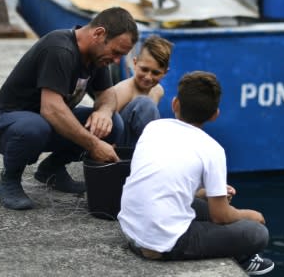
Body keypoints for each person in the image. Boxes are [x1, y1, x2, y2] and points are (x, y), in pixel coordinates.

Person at [117, 71, 274, 276]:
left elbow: (163, 182)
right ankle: (244, 257)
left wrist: (204, 194)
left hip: (130, 230)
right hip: (159, 245)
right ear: (214, 115)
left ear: (175, 104)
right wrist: (250, 215)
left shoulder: (154, 128)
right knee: (256, 232)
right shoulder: (212, 149)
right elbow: (221, 216)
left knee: (210, 207)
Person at [0, 7, 138, 210]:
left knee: (113, 124)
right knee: (35, 127)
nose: (117, 61)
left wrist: (103, 112)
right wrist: (93, 145)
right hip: (8, 123)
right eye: (116, 53)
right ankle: (9, 180)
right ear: (99, 34)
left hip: (46, 123)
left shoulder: (96, 56)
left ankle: (52, 169)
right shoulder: (60, 49)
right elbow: (52, 109)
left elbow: (108, 94)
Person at [112, 34, 174, 147]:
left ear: (165, 72)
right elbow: (103, 125)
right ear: (135, 63)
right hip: (117, 147)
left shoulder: (158, 91)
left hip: (139, 146)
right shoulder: (123, 90)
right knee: (145, 104)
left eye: (155, 73)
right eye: (144, 69)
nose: (148, 77)